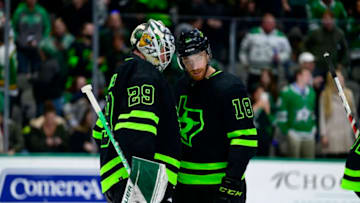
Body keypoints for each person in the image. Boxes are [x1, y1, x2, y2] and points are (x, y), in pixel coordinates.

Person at [92, 19, 181, 203]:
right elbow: (138, 130)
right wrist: (144, 180)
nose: (165, 57)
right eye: (163, 49)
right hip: (143, 178)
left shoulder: (121, 74)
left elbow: (98, 131)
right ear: (149, 43)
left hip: (120, 177)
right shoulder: (145, 73)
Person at [174, 29, 258, 203]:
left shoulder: (231, 87)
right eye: (188, 61)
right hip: (184, 187)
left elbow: (245, 140)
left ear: (208, 54)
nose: (194, 66)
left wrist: (232, 181)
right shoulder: (179, 87)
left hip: (219, 186)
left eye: (198, 58)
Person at [276, 68, 317, 158]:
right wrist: (288, 131)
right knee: (294, 163)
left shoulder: (312, 92)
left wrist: (314, 127)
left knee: (310, 164)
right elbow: (280, 115)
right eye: (306, 75)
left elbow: (312, 112)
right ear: (299, 76)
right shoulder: (287, 92)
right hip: (294, 134)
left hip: (309, 133)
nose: (309, 77)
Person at [319, 71, 356, 158]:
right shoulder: (325, 95)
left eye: (341, 77)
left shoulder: (349, 94)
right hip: (331, 134)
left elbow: (354, 116)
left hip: (346, 134)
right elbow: (322, 118)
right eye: (338, 78)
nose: (342, 79)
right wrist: (323, 135)